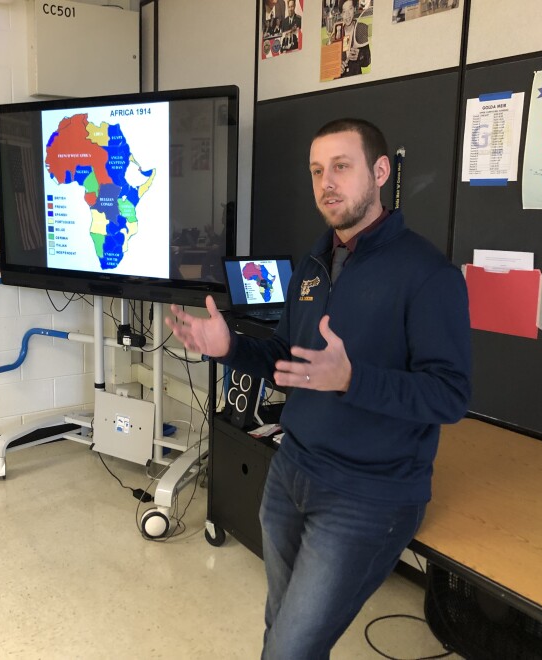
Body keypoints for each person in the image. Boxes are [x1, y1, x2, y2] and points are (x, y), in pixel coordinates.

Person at [166, 118, 471, 659]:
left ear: (380, 172)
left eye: (341, 166)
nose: (326, 182)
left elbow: (449, 395)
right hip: (292, 471)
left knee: (290, 649)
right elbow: (289, 358)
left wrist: (353, 379)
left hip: (367, 495)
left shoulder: (428, 275)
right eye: (316, 171)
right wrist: (229, 347)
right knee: (280, 626)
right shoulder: (313, 265)